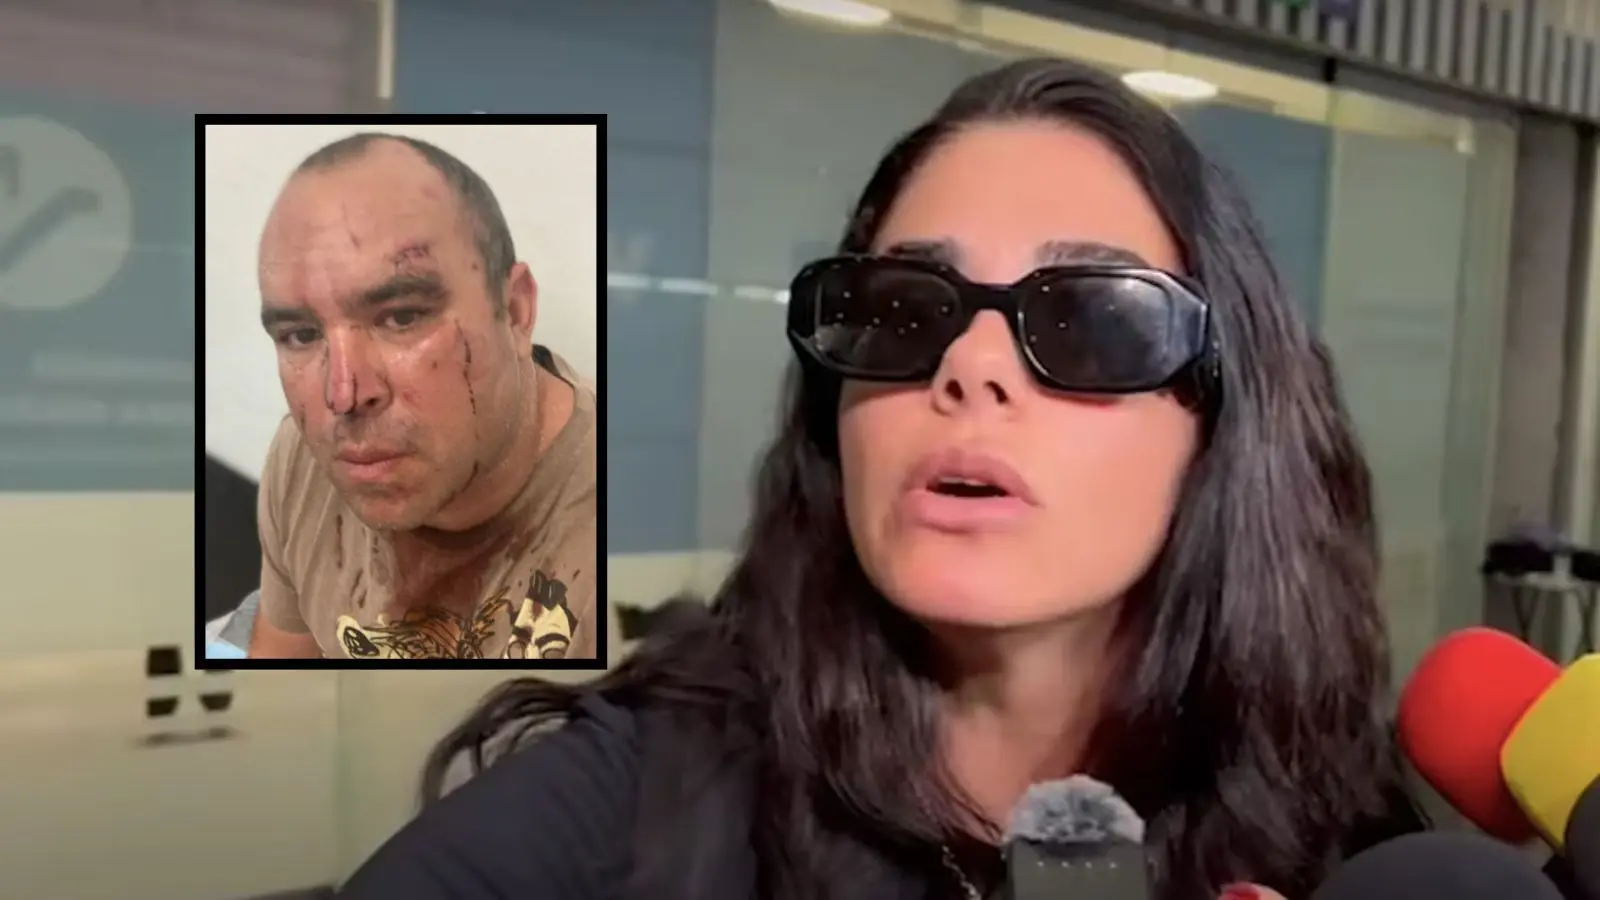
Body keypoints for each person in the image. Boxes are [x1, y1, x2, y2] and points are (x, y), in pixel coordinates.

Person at [337, 58, 1425, 898]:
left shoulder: (1335, 821)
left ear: (1224, 416)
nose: (969, 367)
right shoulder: (642, 799)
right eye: (902, 311)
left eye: (1089, 318)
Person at [247, 132, 597, 660]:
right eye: (301, 335)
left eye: (402, 317)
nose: (343, 395)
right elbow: (278, 680)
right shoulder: (301, 460)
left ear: (516, 312)